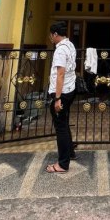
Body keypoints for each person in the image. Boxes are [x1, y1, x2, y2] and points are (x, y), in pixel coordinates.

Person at [46, 22, 77, 173]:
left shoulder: (60, 50)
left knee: (61, 127)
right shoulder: (70, 45)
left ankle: (63, 164)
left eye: (51, 35)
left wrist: (57, 99)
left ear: (55, 34)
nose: (50, 38)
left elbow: (60, 74)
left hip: (62, 93)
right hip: (70, 89)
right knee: (64, 122)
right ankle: (70, 152)